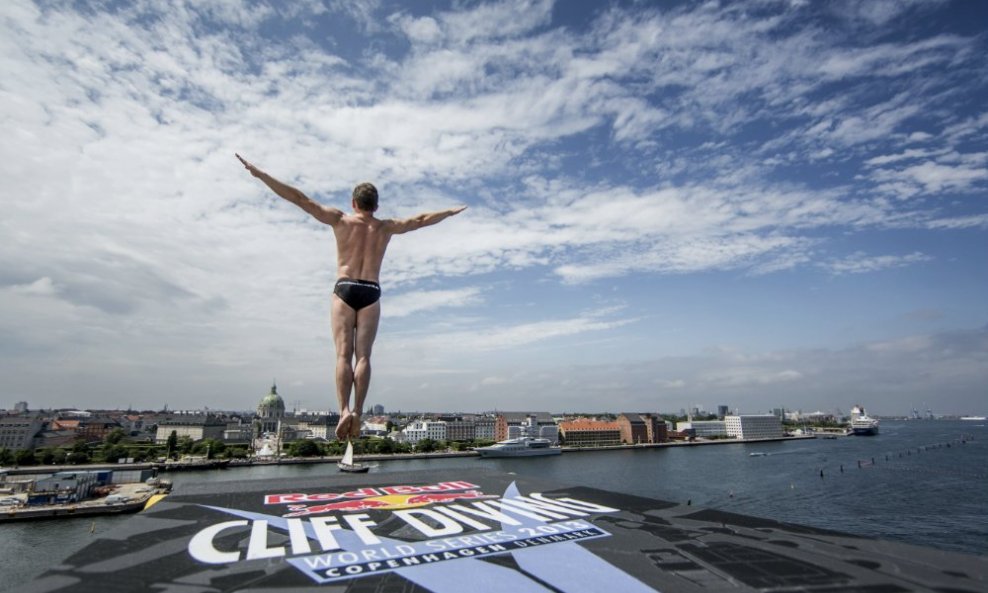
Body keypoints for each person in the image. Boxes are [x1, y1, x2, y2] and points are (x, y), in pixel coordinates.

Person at [236, 154, 466, 440]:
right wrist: (450, 212)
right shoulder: (385, 227)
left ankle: (343, 409)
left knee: (343, 354)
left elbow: (299, 199)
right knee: (364, 356)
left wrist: (260, 175)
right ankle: (358, 410)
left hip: (344, 289)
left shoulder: (340, 219)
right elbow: (419, 220)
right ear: (376, 206)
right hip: (370, 290)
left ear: (353, 202)